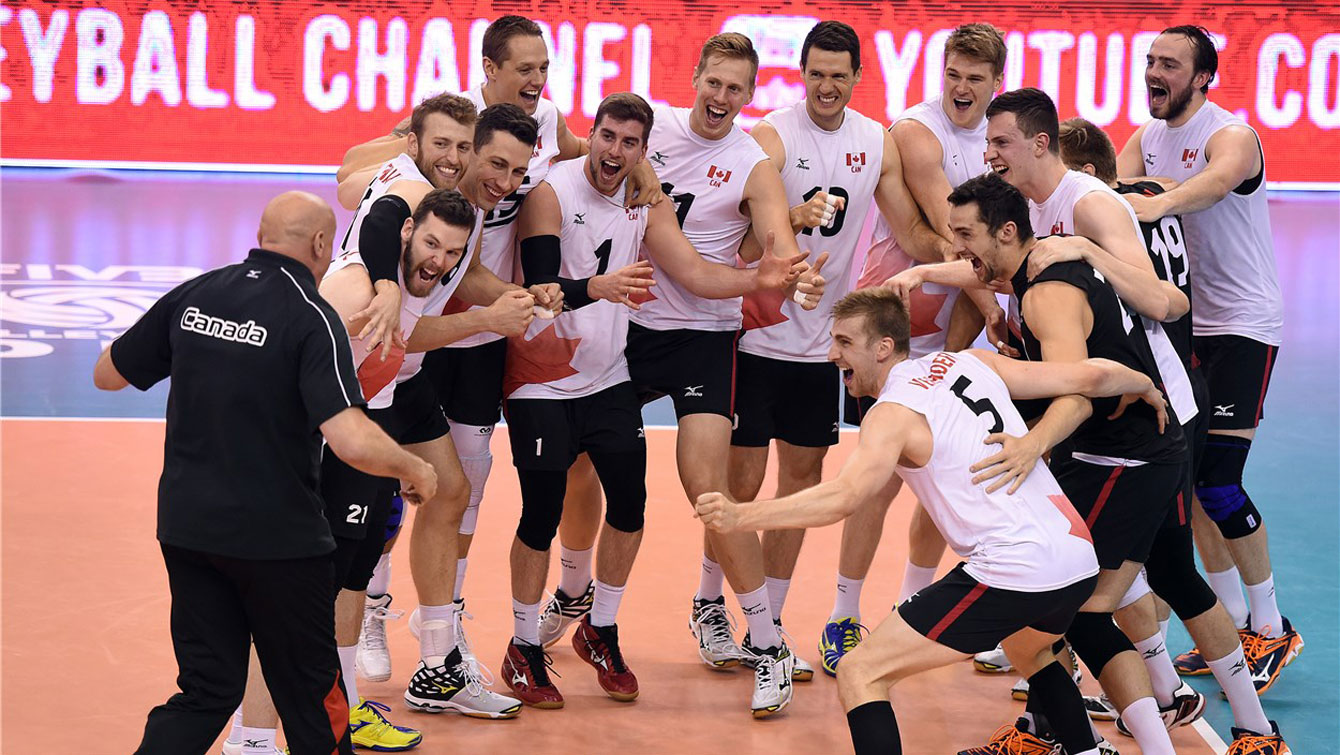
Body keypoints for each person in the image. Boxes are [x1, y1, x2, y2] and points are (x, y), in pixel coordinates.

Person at [696, 287, 1177, 755]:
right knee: (1030, 652)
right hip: (1074, 559)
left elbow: (843, 497)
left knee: (862, 672)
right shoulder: (971, 361)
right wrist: (1144, 383)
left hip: (1015, 568)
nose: (830, 356)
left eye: (844, 343)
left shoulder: (893, 413)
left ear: (884, 348)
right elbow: (1089, 377)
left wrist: (742, 515)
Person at [944, 174, 1288, 755]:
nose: (957, 249)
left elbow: (1076, 393)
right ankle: (1249, 730)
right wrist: (918, 274)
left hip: (1121, 459)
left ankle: (1089, 734)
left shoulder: (1046, 291)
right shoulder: (1037, 272)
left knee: (1068, 607)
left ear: (1006, 232)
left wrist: (1030, 446)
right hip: (1133, 450)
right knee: (1155, 581)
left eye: (964, 235)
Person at [500, 92, 813, 714]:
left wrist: (764, 277)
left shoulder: (652, 195)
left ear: (647, 152)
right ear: (592, 134)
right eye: (607, 137)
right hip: (544, 371)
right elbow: (538, 291)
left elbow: (695, 273)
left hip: (615, 368)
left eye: (629, 143)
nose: (615, 151)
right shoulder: (552, 193)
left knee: (643, 497)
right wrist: (597, 287)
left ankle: (609, 629)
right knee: (546, 504)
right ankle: (526, 638)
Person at [93, 191, 437, 755]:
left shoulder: (195, 295)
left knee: (207, 690)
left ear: (261, 233)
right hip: (279, 542)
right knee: (311, 699)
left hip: (188, 529)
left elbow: (108, 373)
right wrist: (412, 466)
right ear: (323, 244)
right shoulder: (311, 315)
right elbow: (349, 435)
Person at [727, 20, 947, 676]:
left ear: (857, 78)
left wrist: (959, 255)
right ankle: (712, 604)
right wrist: (788, 227)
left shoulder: (874, 142)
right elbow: (737, 244)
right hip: (757, 333)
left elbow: (907, 226)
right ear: (801, 73)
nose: (827, 85)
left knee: (799, 485)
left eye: (838, 74)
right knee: (739, 487)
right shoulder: (770, 136)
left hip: (822, 345)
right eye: (816, 73)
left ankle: (764, 628)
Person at [818, 22, 1011, 673]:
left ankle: (914, 610)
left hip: (948, 329)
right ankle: (844, 616)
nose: (961, 86)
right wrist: (992, 305)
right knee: (874, 485)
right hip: (885, 334)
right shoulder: (916, 132)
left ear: (995, 84)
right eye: (954, 73)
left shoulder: (999, 144)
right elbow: (953, 238)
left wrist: (961, 346)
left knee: (943, 478)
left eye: (974, 78)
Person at [1116, 24, 1300, 692]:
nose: (1154, 72)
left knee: (1219, 481)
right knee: (1190, 489)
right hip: (1186, 326)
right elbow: (1109, 197)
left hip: (1246, 324)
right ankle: (1227, 624)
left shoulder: (1233, 135)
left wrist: (1159, 197)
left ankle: (1272, 629)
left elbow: (1218, 183)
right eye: (1150, 61)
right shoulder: (1143, 137)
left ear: (1202, 77)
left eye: (1169, 63)